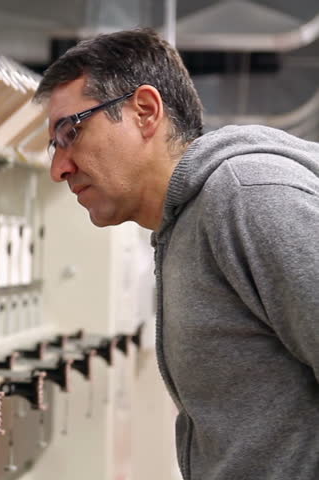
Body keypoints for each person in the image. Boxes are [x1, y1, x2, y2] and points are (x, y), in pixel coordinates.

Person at [33, 28, 319, 480]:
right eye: (55, 145)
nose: (59, 168)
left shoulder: (247, 195)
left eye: (71, 132)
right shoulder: (184, 224)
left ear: (145, 111)